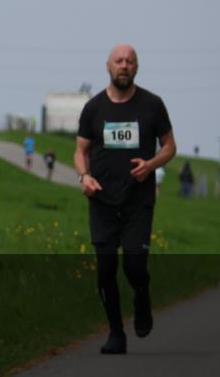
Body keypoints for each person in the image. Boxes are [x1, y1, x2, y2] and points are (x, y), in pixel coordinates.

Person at [73, 44, 176, 354]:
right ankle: (116, 332)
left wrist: (151, 165)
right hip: (102, 200)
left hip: (138, 200)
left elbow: (170, 146)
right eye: (119, 61)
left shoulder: (152, 105)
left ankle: (141, 295)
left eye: (130, 61)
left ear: (137, 67)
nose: (124, 65)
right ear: (108, 66)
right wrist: (84, 176)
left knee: (134, 265)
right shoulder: (94, 107)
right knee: (105, 269)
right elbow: (81, 150)